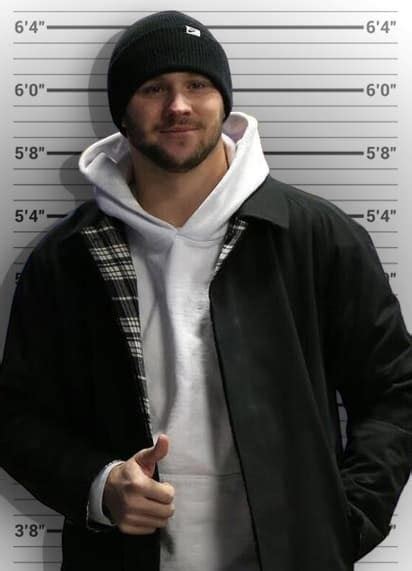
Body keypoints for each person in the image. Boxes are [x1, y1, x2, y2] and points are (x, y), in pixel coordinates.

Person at [0, 9, 412, 571]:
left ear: (223, 99)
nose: (178, 106)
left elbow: (394, 389)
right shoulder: (66, 259)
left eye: (197, 84)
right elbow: (18, 415)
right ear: (122, 111)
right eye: (154, 88)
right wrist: (99, 486)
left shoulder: (317, 236)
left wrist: (345, 520)